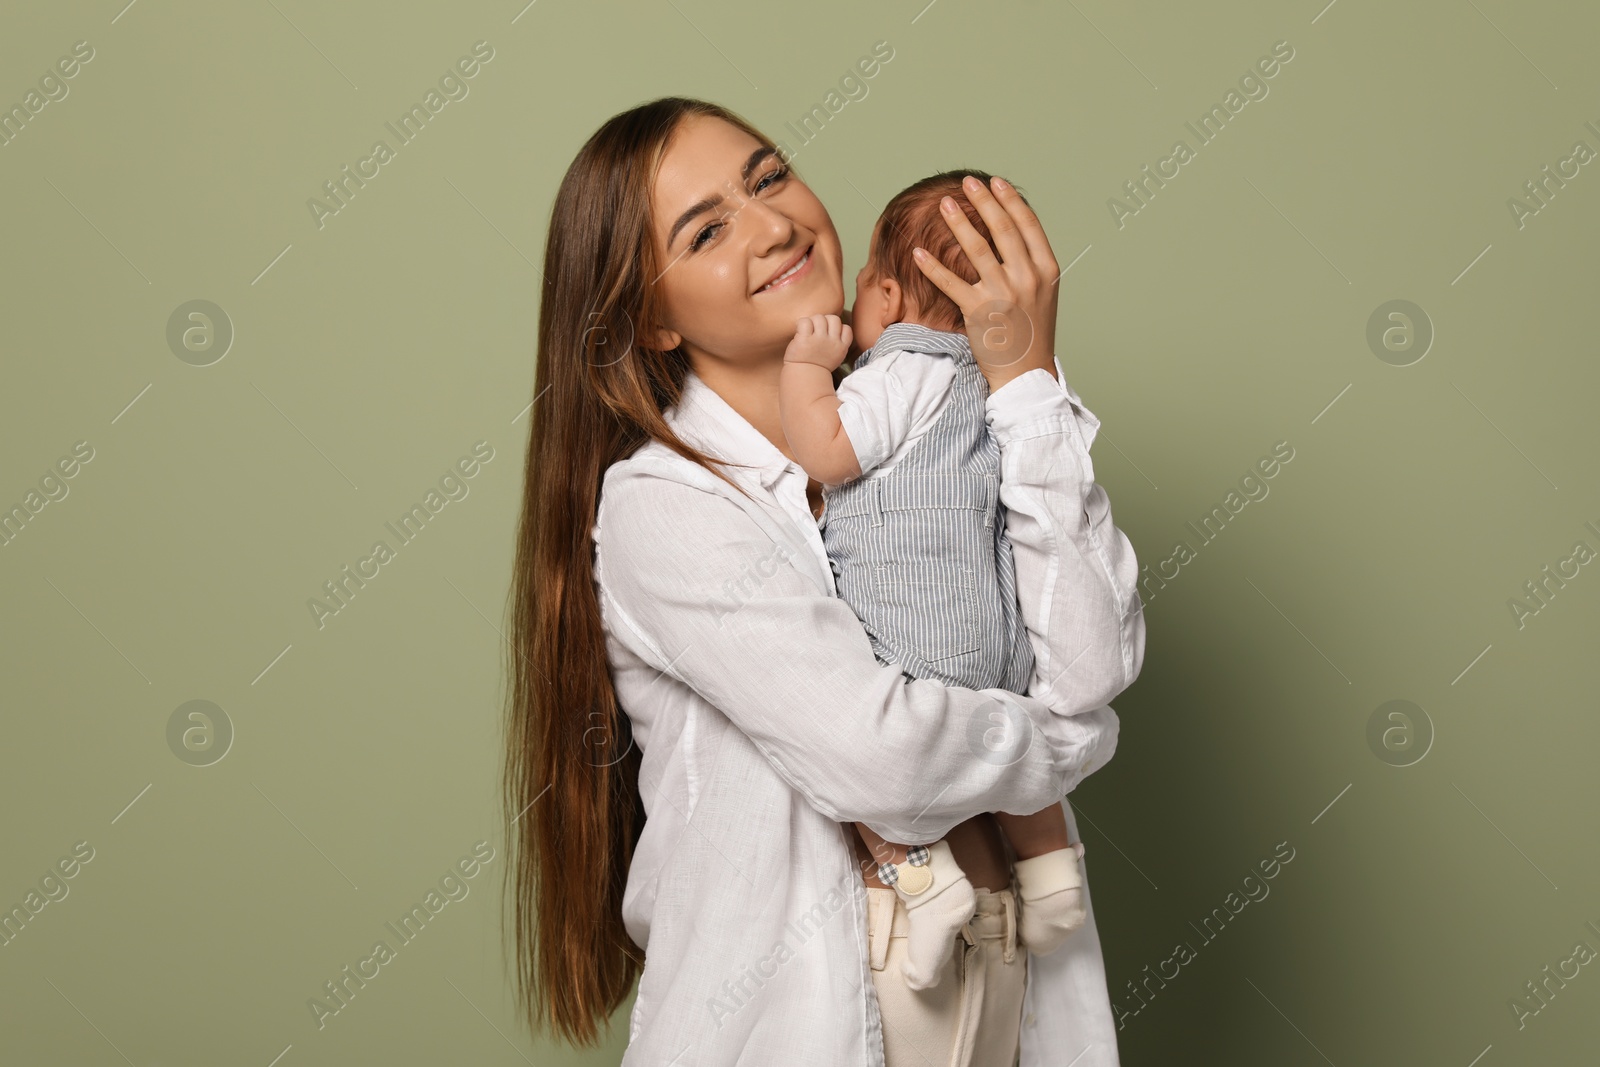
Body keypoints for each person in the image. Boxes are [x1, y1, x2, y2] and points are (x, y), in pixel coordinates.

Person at [504, 97, 1146, 1067]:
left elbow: (1094, 658)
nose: (770, 224)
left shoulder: (943, 409)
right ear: (652, 318)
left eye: (768, 177)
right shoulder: (661, 509)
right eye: (708, 229)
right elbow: (879, 759)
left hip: (1004, 1015)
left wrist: (1026, 384)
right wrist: (1064, 743)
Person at [777, 171, 1092, 995]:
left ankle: (927, 883)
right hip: (998, 634)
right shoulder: (995, 385)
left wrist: (809, 371)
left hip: (913, 633)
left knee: (840, 759)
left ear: (885, 292)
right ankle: (1052, 873)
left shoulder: (898, 369)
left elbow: (831, 452)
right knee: (1009, 748)